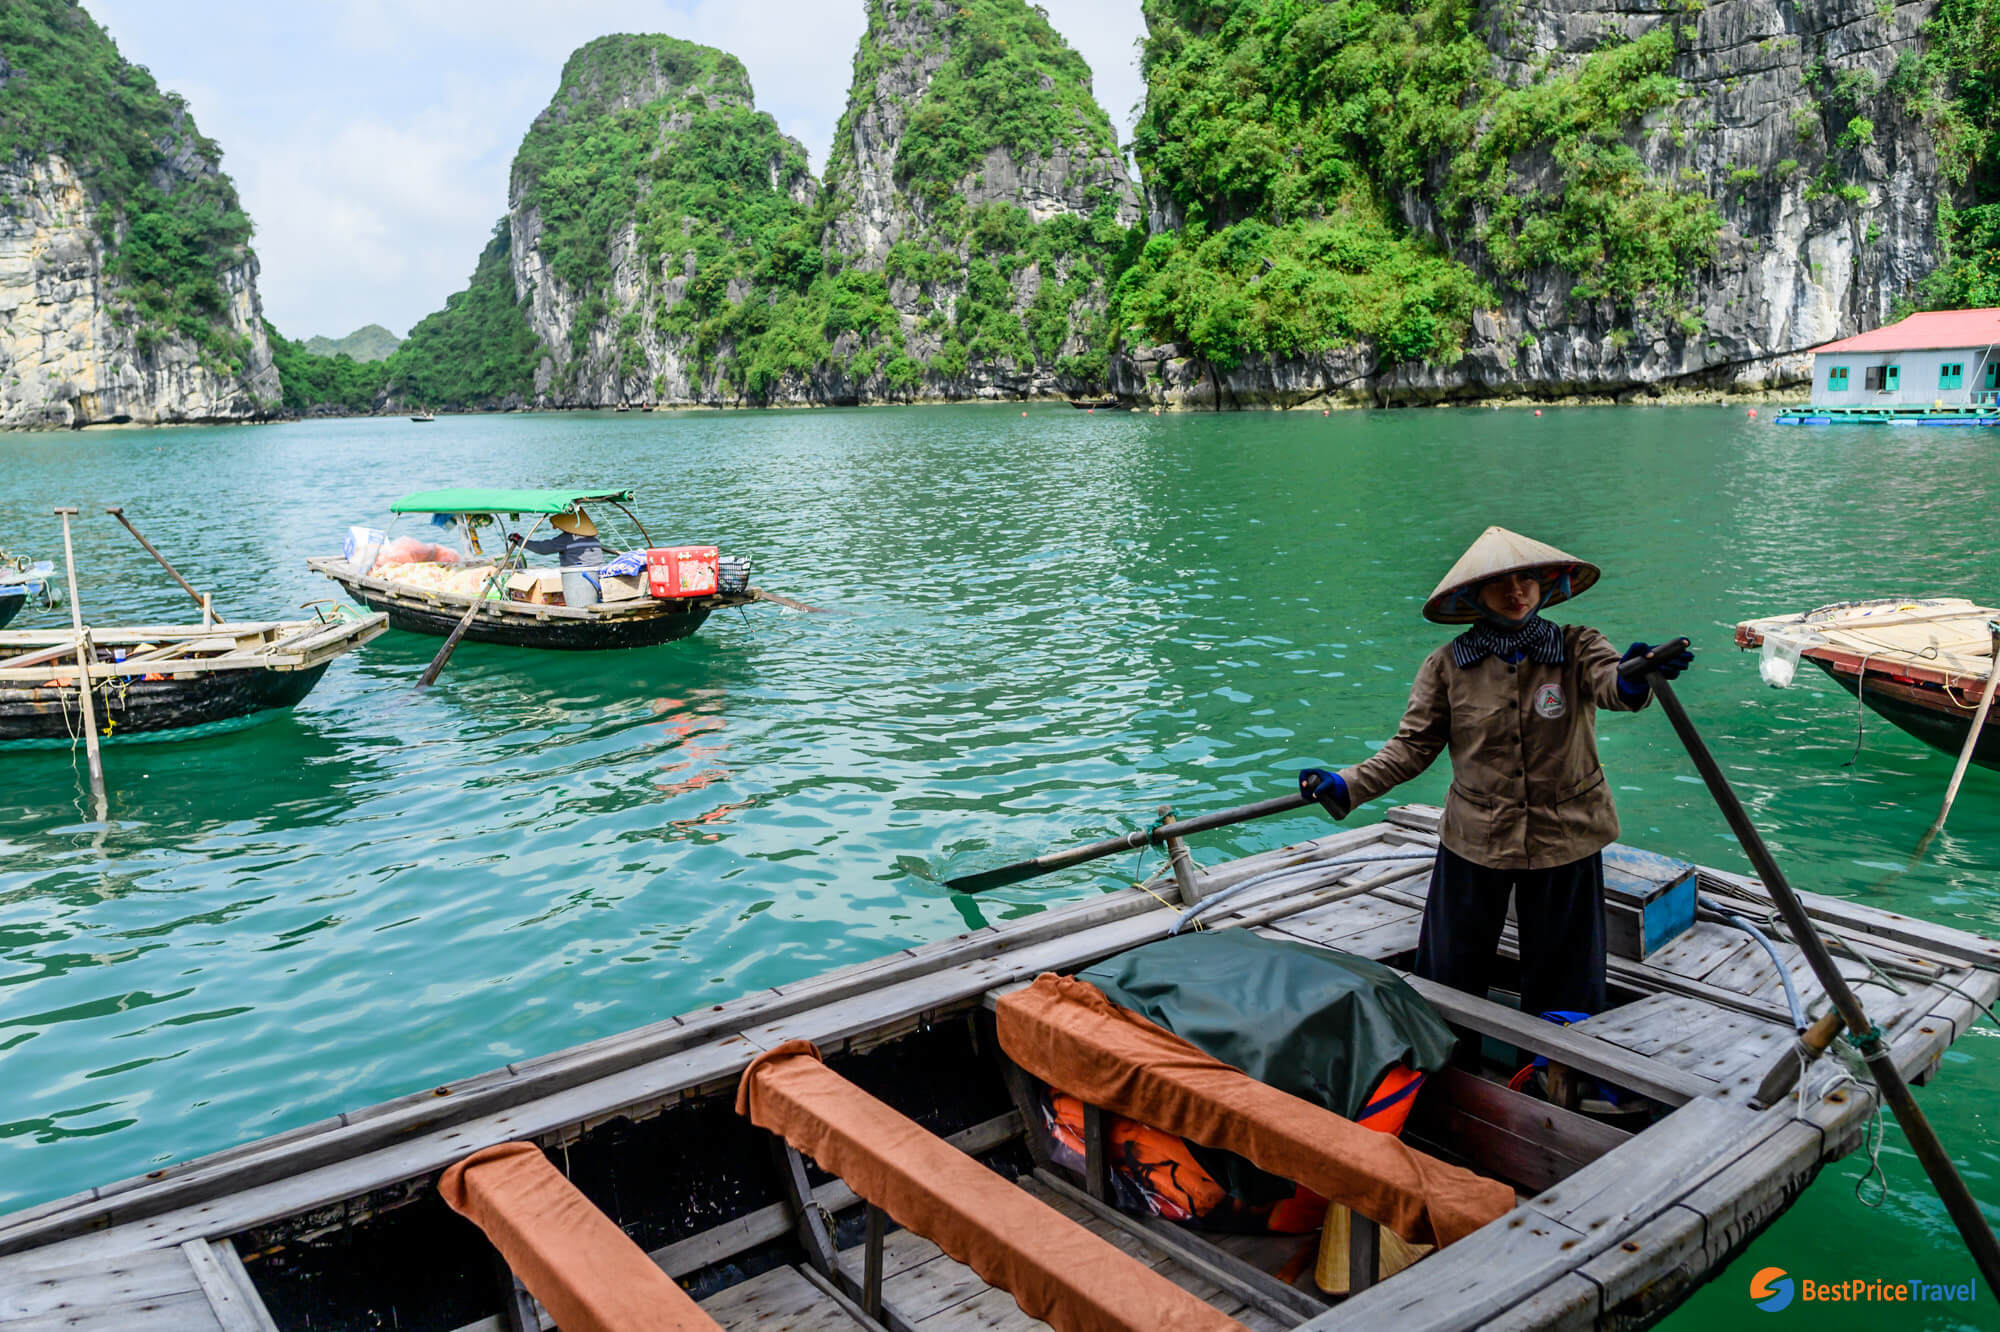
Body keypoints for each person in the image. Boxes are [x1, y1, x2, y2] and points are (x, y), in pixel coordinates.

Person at [1297, 526, 1692, 1020]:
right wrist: (1346, 782)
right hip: (1475, 837)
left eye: (1526, 579)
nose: (1516, 592)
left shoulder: (1577, 646)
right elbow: (1413, 746)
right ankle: (1446, 1058)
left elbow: (1610, 682)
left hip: (1565, 835)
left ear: (1545, 585)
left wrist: (1635, 676)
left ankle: (1558, 1069)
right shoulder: (1446, 666)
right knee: (1450, 970)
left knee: (1566, 981)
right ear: (1473, 595)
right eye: (1499, 582)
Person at [509, 508, 605, 608]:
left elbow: (542, 549)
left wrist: (519, 541)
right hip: (597, 580)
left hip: (580, 583)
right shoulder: (594, 539)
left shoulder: (566, 539)